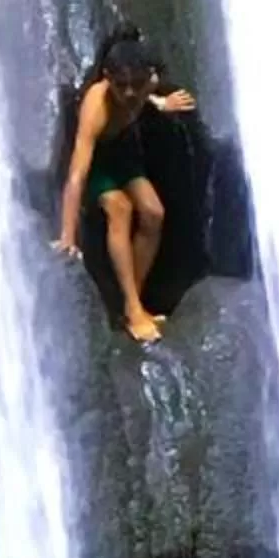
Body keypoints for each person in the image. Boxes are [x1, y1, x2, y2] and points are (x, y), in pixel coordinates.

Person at [53, 28, 198, 345]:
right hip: (95, 161)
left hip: (120, 153)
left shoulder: (148, 83)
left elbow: (144, 95)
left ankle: (132, 303)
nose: (130, 94)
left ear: (149, 77)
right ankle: (133, 310)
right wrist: (67, 234)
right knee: (120, 209)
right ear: (107, 78)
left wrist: (162, 103)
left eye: (137, 85)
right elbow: (77, 173)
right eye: (121, 86)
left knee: (153, 213)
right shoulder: (96, 106)